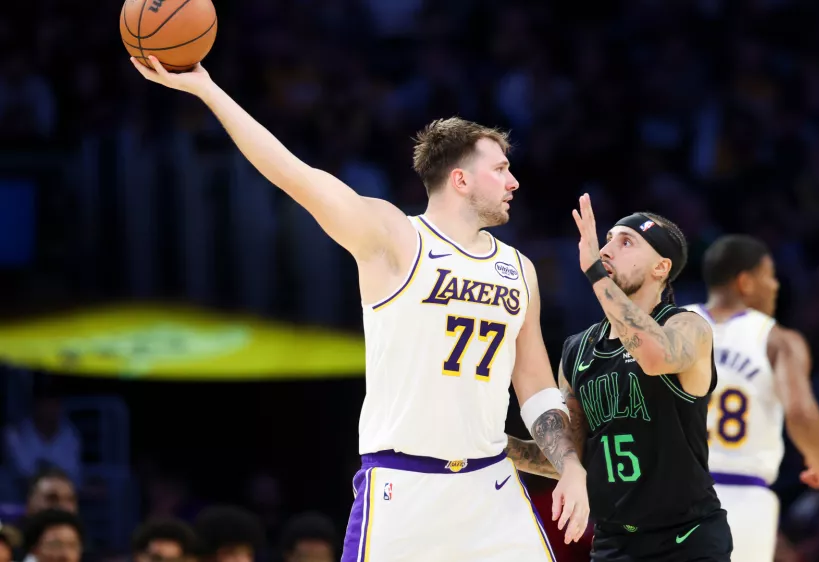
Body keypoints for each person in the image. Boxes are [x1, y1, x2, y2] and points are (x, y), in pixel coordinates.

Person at [130, 56, 588, 561]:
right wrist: (209, 91)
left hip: (490, 488)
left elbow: (536, 386)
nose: (513, 181)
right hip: (404, 485)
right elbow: (293, 175)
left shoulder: (519, 268)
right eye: (500, 168)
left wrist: (569, 465)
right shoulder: (395, 237)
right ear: (460, 179)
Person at [507, 198, 733, 561]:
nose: (606, 250)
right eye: (607, 239)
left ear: (661, 267)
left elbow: (655, 356)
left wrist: (596, 274)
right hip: (614, 543)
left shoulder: (688, 326)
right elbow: (567, 460)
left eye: (626, 242)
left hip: (686, 539)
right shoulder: (578, 350)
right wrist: (492, 445)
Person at [684, 234, 819, 562]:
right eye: (769, 275)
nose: (775, 286)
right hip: (743, 497)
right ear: (745, 281)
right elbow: (799, 410)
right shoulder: (777, 339)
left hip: (669, 493)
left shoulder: (671, 326)